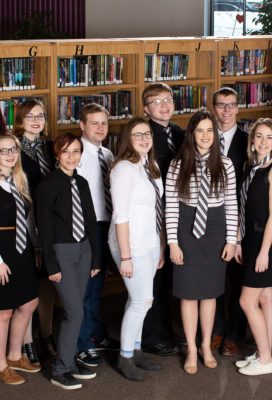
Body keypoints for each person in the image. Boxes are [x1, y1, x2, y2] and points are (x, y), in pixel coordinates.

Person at [165, 111, 237, 374]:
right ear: (191, 134)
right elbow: (171, 204)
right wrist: (172, 242)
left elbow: (231, 204)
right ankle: (191, 349)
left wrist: (231, 240)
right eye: (200, 131)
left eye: (209, 130)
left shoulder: (225, 164)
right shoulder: (178, 164)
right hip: (186, 227)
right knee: (188, 292)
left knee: (209, 292)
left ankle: (206, 345)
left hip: (216, 229)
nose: (205, 136)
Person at [37, 133, 100, 390]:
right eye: (66, 151)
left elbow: (90, 221)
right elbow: (44, 229)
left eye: (76, 151)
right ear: (57, 155)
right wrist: (51, 265)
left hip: (84, 251)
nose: (71, 156)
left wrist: (95, 258)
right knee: (75, 311)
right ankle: (60, 369)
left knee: (74, 310)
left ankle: (70, 361)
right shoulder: (47, 186)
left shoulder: (82, 183)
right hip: (61, 252)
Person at [109, 117, 164, 381]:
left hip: (150, 242)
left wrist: (160, 246)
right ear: (127, 140)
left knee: (140, 301)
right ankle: (125, 357)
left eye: (147, 134)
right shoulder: (123, 169)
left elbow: (156, 209)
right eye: (137, 135)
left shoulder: (150, 165)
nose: (144, 139)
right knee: (142, 301)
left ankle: (137, 350)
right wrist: (126, 256)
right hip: (130, 245)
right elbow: (121, 216)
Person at [234, 118, 272, 376]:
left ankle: (265, 360)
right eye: (259, 136)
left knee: (247, 301)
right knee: (265, 298)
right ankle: (263, 352)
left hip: (266, 242)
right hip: (250, 239)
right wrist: (239, 239)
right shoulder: (251, 167)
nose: (263, 141)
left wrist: (264, 252)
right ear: (252, 140)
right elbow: (243, 207)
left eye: (269, 137)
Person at [141, 83, 185, 356]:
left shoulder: (180, 134)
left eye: (168, 99)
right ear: (146, 109)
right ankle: (151, 336)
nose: (164, 105)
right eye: (157, 101)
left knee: (168, 276)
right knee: (153, 279)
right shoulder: (143, 135)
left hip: (176, 213)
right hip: (152, 216)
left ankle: (167, 331)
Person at [12, 99, 56, 363]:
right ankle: (27, 342)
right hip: (24, 222)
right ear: (20, 120)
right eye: (30, 116)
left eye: (40, 116)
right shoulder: (13, 149)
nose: (37, 120)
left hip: (50, 221)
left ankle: (46, 334)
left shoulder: (51, 147)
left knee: (47, 279)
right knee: (28, 283)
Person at [76, 103, 116, 368]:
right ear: (82, 125)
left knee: (97, 286)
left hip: (107, 226)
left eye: (104, 123)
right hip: (86, 230)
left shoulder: (108, 153)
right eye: (94, 123)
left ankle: (95, 333)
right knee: (85, 288)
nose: (100, 128)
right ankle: (83, 344)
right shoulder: (76, 154)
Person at [0, 132, 41, 385]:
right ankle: (1, 365)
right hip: (2, 252)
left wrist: (35, 247)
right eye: (3, 150)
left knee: (29, 303)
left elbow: (27, 219)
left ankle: (15, 355)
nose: (10, 155)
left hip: (22, 248)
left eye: (13, 149)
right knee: (3, 311)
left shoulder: (18, 180)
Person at [211, 87, 248, 356]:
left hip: (239, 221)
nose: (226, 110)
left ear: (238, 108)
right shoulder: (204, 136)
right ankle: (216, 329)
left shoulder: (249, 141)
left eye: (231, 104)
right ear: (214, 108)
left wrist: (239, 229)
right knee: (213, 279)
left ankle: (234, 334)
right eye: (221, 105)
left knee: (237, 279)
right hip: (210, 220)